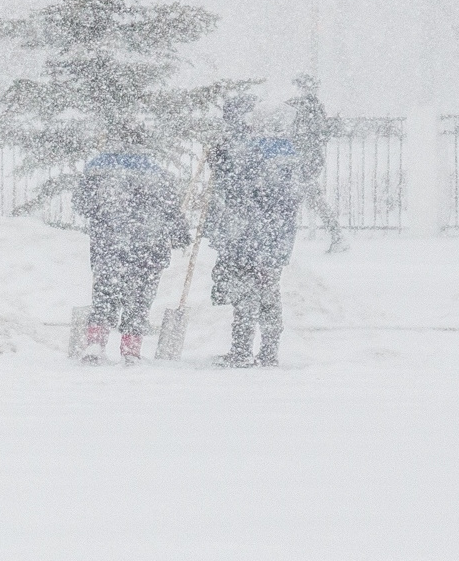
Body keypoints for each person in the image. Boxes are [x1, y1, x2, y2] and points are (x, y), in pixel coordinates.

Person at [70, 132, 190, 364]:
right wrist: (179, 233)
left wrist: (105, 216)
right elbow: (170, 209)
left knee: (105, 293)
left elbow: (82, 205)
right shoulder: (156, 173)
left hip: (109, 244)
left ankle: (95, 343)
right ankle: (131, 350)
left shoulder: (97, 168)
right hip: (148, 247)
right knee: (139, 298)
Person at [207, 94, 301, 367]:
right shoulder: (289, 154)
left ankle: (241, 350)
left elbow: (234, 187)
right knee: (270, 291)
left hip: (248, 236)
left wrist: (218, 159)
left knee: (245, 294)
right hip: (278, 237)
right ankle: (270, 350)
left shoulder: (251, 151)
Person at [287, 74, 348, 253]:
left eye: (301, 86)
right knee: (309, 196)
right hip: (304, 157)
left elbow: (315, 132)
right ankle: (336, 235)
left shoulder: (308, 106)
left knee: (306, 196)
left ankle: (337, 235)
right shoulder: (306, 106)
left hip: (304, 158)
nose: (299, 90)